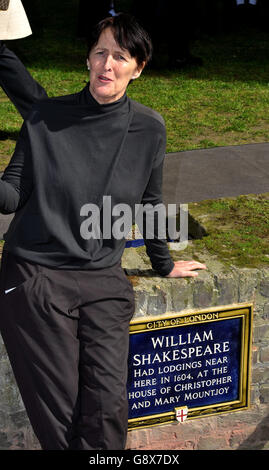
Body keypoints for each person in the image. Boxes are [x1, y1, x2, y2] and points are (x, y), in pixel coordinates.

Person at [0, 13, 206, 450]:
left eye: (120, 56)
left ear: (139, 67)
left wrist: (164, 263)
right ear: (87, 60)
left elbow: (150, 202)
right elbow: (12, 192)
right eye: (99, 53)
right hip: (38, 275)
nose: (106, 65)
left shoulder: (149, 127)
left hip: (104, 280)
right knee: (61, 411)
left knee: (108, 407)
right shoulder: (45, 117)